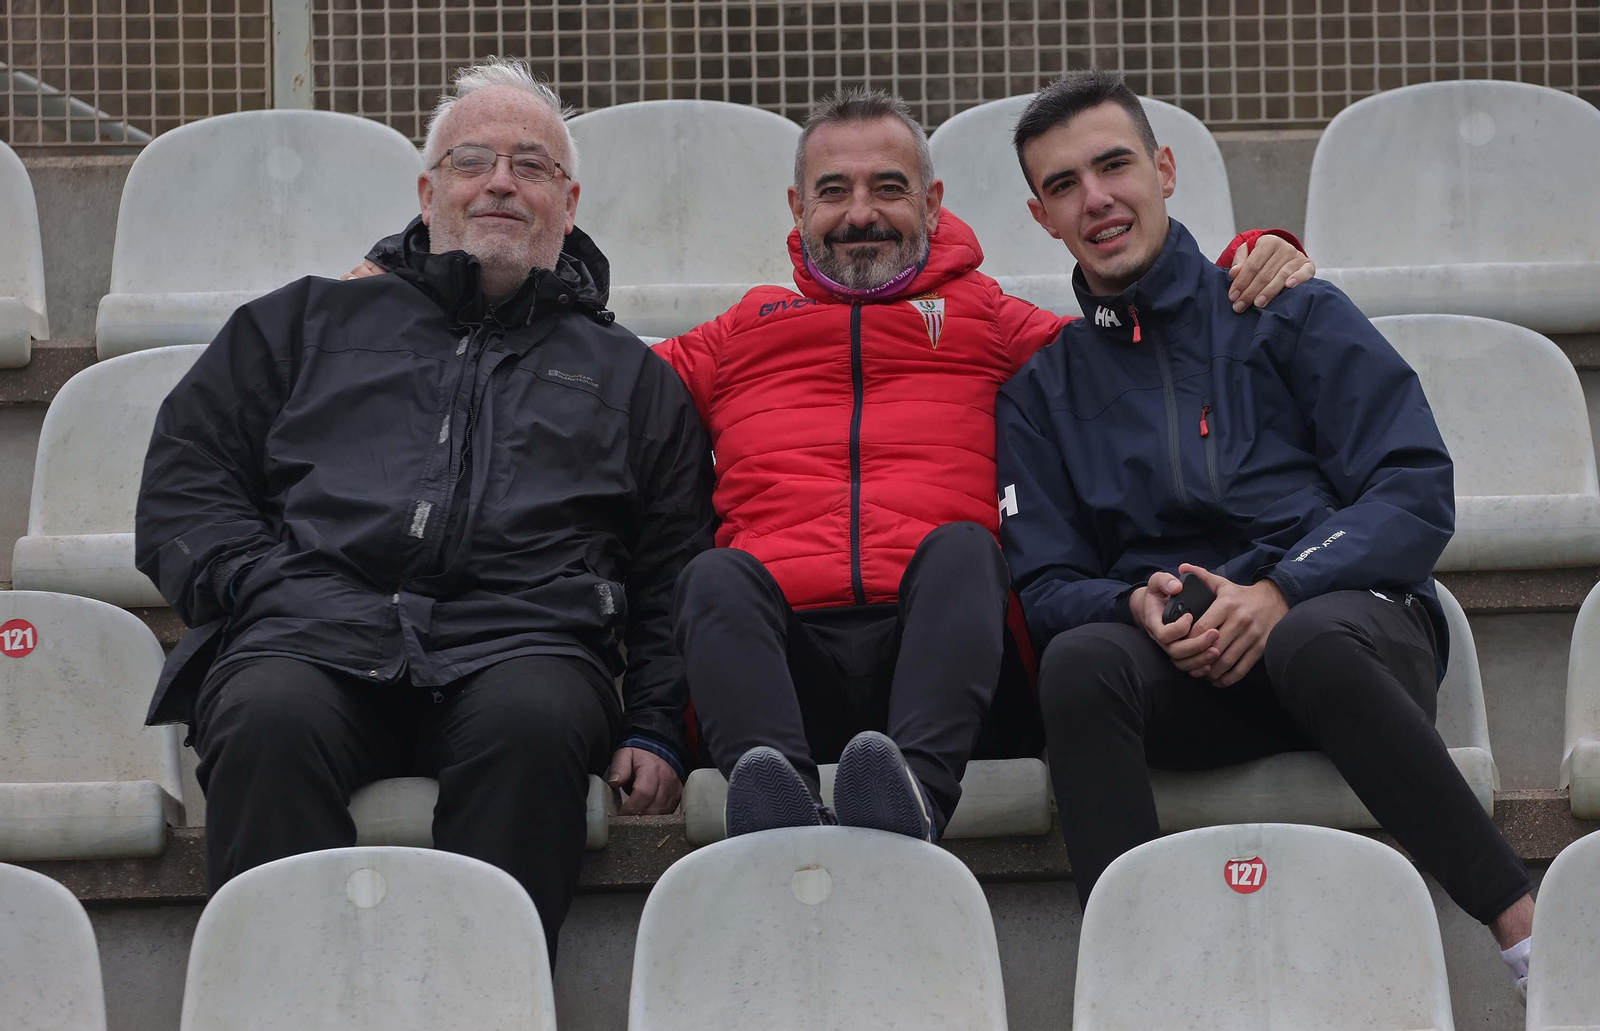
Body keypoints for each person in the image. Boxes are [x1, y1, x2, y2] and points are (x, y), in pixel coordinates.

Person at [350, 87, 1314, 845]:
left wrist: (1250, 255)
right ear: (797, 208)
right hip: (778, 672)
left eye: (888, 189)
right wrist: (420, 278)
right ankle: (769, 798)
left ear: (932, 203)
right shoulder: (740, 332)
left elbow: (1133, 336)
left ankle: (913, 805)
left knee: (965, 549)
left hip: (954, 674)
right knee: (718, 572)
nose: (862, 214)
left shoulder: (990, 321)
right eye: (836, 192)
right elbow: (585, 381)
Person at [135, 57, 715, 960]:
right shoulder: (301, 324)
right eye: (471, 159)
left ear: (568, 203)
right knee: (267, 717)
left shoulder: (632, 377)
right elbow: (186, 475)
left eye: (532, 166)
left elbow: (675, 562)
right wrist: (257, 582)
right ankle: (282, 1005)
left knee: (534, 722)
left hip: (527, 641)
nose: (499, 183)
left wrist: (654, 723)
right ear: (427, 188)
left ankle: (487, 1002)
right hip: (311, 632)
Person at [995, 70, 1535, 990]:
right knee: (1082, 663)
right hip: (1189, 669)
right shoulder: (1041, 392)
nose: (1097, 199)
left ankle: (1531, 941)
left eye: (1114, 165)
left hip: (1348, 631)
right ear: (1042, 216)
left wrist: (1282, 588)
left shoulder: (1287, 307)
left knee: (1311, 642)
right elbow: (1044, 582)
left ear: (1164, 169)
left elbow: (1413, 486)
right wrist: (1131, 600)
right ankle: (1139, 984)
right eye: (1062, 185)